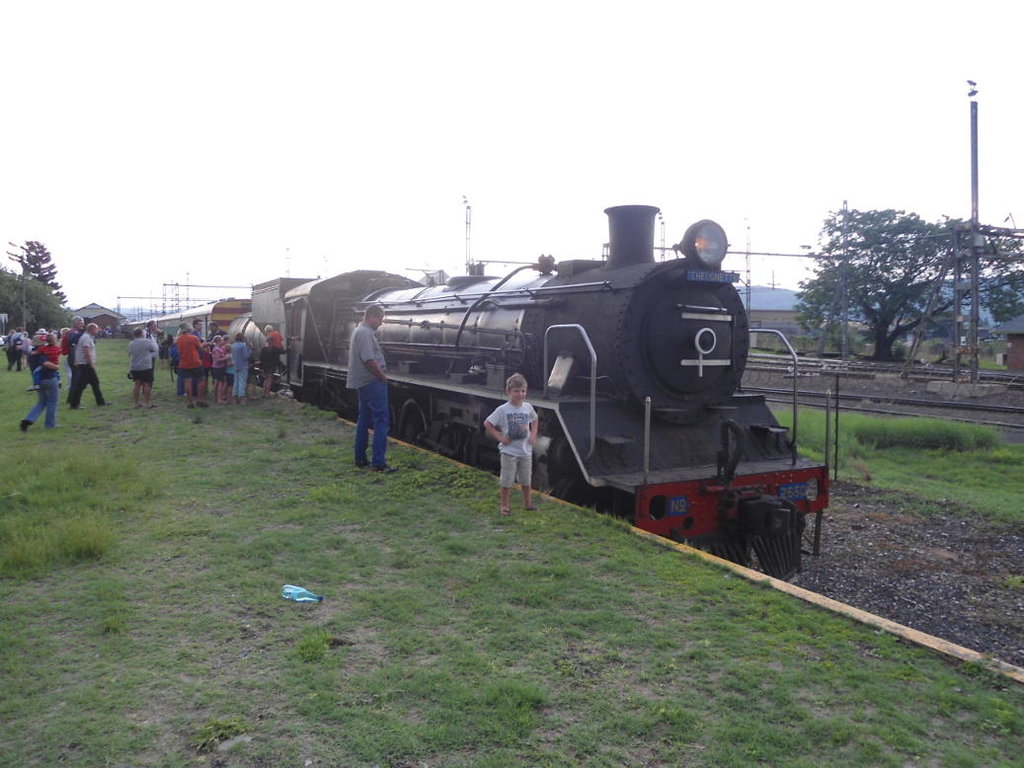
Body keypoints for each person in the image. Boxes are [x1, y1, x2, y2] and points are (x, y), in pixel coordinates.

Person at [347, 305, 395, 472]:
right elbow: (369, 360)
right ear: (371, 317)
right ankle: (378, 463)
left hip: (363, 382)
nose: (381, 323)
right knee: (381, 421)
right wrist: (382, 376)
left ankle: (360, 459)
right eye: (380, 319)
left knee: (363, 421)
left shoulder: (359, 331)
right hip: (372, 382)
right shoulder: (365, 333)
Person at [484, 373, 539, 515]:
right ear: (508, 392)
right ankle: (504, 506)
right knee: (507, 480)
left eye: (523, 391)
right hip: (509, 452)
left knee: (526, 479)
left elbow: (535, 419)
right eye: (516, 391)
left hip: (525, 451)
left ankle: (528, 503)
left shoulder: (527, 407)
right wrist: (500, 437)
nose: (520, 394)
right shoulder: (503, 410)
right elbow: (488, 423)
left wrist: (533, 435)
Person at [20, 332, 61, 431]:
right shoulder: (42, 353)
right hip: (49, 378)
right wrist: (56, 367)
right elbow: (45, 363)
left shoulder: (32, 354)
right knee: (53, 401)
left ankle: (28, 419)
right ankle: (50, 424)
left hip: (38, 381)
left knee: (42, 401)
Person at [67, 323, 108, 409]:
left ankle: (100, 401)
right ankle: (74, 404)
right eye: (96, 329)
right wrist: (91, 363)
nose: (98, 331)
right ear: (92, 329)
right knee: (82, 385)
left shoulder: (87, 337)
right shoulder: (86, 338)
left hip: (85, 364)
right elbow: (86, 351)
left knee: (93, 383)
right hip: (86, 364)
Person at [175, 322, 207, 408]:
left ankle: (190, 402)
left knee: (187, 382)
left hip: (184, 364)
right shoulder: (194, 338)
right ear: (189, 329)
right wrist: (205, 344)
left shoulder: (178, 339)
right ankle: (200, 400)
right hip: (195, 362)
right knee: (201, 380)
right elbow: (200, 348)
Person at [128, 327, 159, 408]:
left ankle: (136, 403)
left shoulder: (131, 343)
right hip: (145, 366)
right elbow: (155, 349)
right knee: (147, 384)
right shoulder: (146, 341)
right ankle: (148, 403)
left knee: (137, 385)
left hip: (135, 366)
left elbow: (130, 353)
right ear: (142, 334)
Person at [62, 317, 85, 402]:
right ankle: (73, 399)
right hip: (74, 357)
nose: (83, 324)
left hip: (73, 357)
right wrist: (76, 359)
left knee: (75, 379)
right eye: (81, 322)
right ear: (76, 323)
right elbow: (73, 346)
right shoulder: (74, 333)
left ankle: (70, 398)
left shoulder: (72, 332)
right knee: (76, 379)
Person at [260, 324, 284, 397]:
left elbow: (261, 358)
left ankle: (264, 393)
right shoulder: (277, 334)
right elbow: (282, 341)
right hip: (272, 362)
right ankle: (267, 394)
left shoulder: (264, 349)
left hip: (265, 365)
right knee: (270, 379)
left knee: (266, 379)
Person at [230, 332, 252, 404]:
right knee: (242, 382)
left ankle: (234, 397)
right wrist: (250, 350)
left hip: (235, 366)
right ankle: (241, 397)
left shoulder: (233, 345)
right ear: (242, 338)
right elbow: (245, 356)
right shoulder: (243, 346)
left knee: (236, 382)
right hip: (243, 366)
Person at [210, 335, 231, 404]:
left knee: (217, 382)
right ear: (218, 341)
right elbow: (217, 359)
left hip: (217, 367)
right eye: (222, 340)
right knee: (220, 383)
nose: (223, 341)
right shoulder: (217, 349)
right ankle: (219, 398)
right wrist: (226, 358)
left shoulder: (218, 349)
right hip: (218, 368)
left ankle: (216, 397)